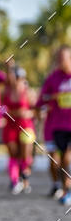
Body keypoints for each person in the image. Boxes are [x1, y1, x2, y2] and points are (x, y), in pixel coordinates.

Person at [37, 45, 71, 204]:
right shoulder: (53, 78)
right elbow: (41, 100)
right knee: (59, 160)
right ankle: (62, 187)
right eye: (59, 58)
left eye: (63, 58)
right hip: (58, 125)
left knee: (67, 156)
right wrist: (53, 97)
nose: (60, 61)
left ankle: (66, 189)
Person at [2, 65, 37, 194]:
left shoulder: (28, 92)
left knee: (25, 155)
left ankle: (25, 181)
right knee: (13, 154)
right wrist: (9, 112)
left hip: (26, 126)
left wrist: (30, 113)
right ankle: (15, 181)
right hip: (10, 127)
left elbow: (36, 109)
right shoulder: (5, 92)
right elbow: (0, 108)